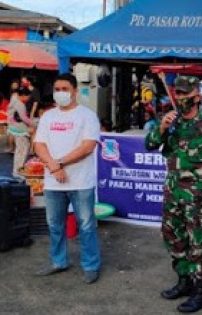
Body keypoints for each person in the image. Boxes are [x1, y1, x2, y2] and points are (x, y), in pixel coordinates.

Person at [145, 76, 202, 313]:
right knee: (173, 235)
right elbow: (150, 145)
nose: (180, 98)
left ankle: (201, 292)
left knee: (199, 240)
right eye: (178, 94)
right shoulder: (172, 121)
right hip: (173, 190)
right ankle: (184, 281)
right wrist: (161, 128)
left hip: (198, 194)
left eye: (185, 94)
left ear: (197, 96)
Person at [33, 73, 101, 284]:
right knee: (54, 225)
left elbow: (87, 147)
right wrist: (54, 167)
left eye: (64, 89)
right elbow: (39, 145)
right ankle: (58, 261)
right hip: (53, 181)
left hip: (81, 182)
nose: (60, 93)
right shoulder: (48, 116)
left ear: (74, 91)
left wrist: (59, 163)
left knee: (86, 225)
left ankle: (91, 265)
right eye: (57, 89)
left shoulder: (87, 116)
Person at [7, 87, 34, 178]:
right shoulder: (20, 104)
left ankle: (16, 171)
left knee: (19, 151)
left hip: (13, 127)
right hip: (20, 129)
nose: (28, 99)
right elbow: (23, 118)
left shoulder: (14, 98)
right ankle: (19, 172)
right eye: (28, 97)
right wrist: (33, 124)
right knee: (22, 151)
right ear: (23, 96)